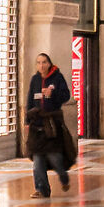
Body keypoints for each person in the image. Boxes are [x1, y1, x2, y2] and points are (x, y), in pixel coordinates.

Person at [26, 52, 74, 197]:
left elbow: (65, 96)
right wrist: (27, 121)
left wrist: (52, 95)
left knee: (55, 159)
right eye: (39, 62)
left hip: (51, 125)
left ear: (49, 63)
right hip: (37, 125)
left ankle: (63, 177)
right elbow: (29, 100)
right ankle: (42, 189)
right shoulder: (35, 79)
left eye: (44, 62)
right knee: (37, 160)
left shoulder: (57, 78)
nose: (41, 65)